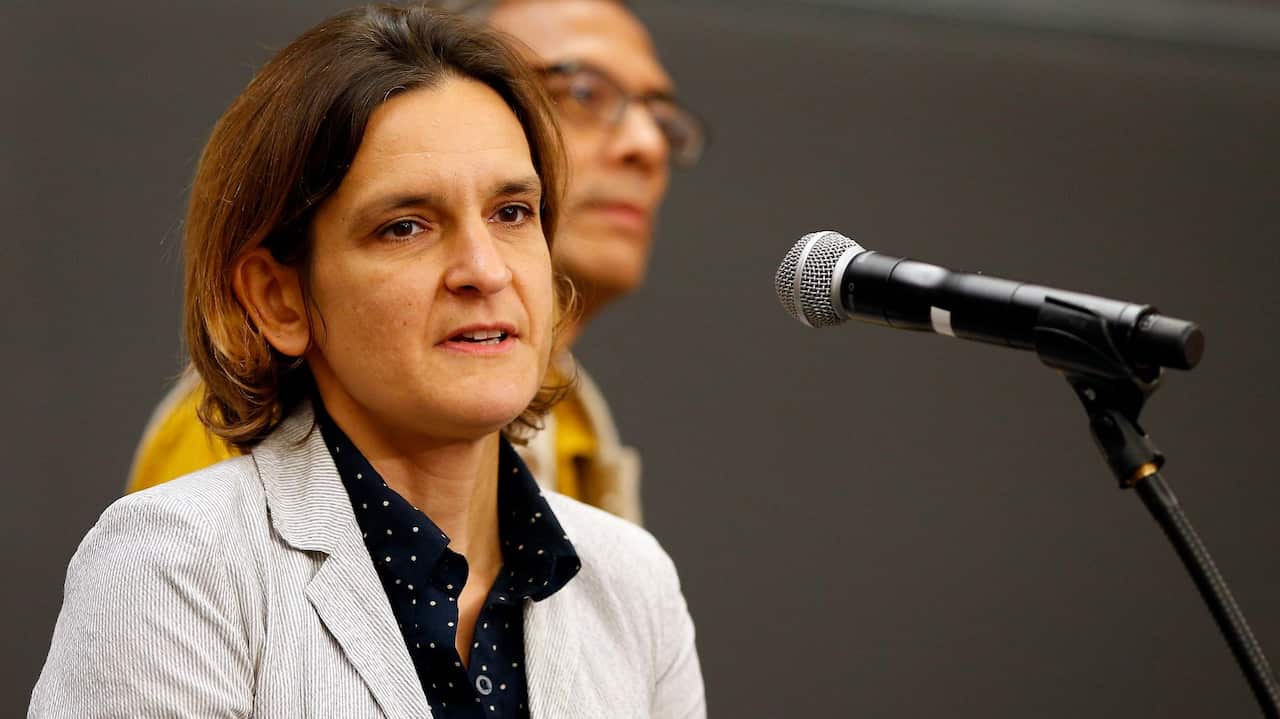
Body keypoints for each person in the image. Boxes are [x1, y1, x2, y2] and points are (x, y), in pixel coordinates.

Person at [30, 6, 704, 717]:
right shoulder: (175, 567)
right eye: (405, 226)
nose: (484, 270)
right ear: (279, 297)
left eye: (512, 212)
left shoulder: (636, 585)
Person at [126, 0, 706, 525]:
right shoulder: (223, 464)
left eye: (510, 212)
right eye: (583, 93)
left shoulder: (575, 423)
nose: (646, 145)